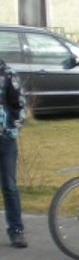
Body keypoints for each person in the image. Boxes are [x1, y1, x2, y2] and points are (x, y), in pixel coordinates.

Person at [0, 57, 27, 248]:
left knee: (9, 186)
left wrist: (11, 130)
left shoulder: (9, 75)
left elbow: (19, 105)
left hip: (5, 139)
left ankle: (16, 230)